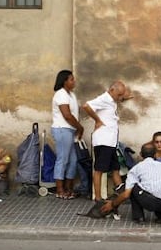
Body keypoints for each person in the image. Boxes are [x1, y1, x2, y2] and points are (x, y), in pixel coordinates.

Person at [82, 81, 132, 203]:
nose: (120, 98)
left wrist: (124, 98)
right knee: (99, 170)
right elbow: (86, 106)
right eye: (119, 94)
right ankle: (98, 198)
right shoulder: (104, 99)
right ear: (111, 90)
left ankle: (122, 193)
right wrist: (97, 120)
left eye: (122, 95)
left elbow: (117, 100)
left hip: (110, 142)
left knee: (115, 168)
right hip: (103, 141)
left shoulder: (112, 100)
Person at [101, 142, 161, 224]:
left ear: (141, 154)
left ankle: (139, 217)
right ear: (155, 154)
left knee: (133, 186)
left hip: (150, 203)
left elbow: (126, 195)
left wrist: (112, 204)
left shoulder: (136, 168)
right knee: (158, 191)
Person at [51, 70, 84, 199]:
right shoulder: (61, 94)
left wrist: (76, 128)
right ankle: (59, 190)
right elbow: (67, 115)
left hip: (69, 130)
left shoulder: (71, 95)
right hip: (62, 129)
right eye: (71, 79)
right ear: (64, 81)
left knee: (73, 160)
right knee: (63, 159)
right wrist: (80, 128)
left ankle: (68, 188)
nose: (74, 81)